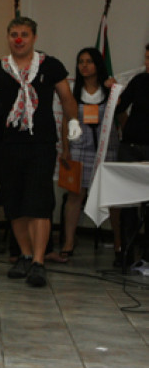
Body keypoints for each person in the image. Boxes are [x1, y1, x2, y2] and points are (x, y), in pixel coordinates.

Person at [0, 17, 80, 287]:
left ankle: (39, 262)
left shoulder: (50, 65)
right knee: (15, 203)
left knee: (39, 202)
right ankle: (24, 254)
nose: (18, 39)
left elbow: (67, 99)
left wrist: (74, 121)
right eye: (14, 34)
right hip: (9, 144)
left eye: (24, 34)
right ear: (7, 37)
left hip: (42, 144)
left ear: (34, 38)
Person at [59, 47, 120, 262]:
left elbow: (121, 118)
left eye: (89, 61)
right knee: (76, 196)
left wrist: (116, 92)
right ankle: (68, 242)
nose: (84, 65)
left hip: (106, 149)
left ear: (98, 65)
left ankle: (119, 245)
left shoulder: (110, 89)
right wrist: (66, 149)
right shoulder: (73, 90)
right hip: (79, 148)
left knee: (112, 199)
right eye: (80, 61)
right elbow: (66, 121)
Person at [114, 44, 149, 267]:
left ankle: (146, 255)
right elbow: (120, 107)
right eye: (146, 58)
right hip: (131, 146)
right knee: (126, 200)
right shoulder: (139, 81)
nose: (148, 62)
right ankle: (125, 251)